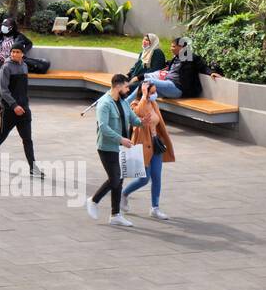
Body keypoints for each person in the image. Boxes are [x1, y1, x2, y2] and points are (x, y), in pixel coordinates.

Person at [0, 44, 44, 176]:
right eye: (13, 52)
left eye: (18, 52)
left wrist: (24, 104)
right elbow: (4, 91)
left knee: (27, 139)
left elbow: (22, 88)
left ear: (22, 54)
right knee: (2, 133)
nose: (14, 54)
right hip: (9, 109)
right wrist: (14, 105)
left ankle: (33, 167)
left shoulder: (24, 66)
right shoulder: (5, 67)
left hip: (24, 109)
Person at [86, 73, 138, 227]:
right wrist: (120, 139)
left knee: (119, 179)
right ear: (119, 85)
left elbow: (132, 118)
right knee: (115, 178)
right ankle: (93, 200)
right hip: (107, 147)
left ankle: (115, 215)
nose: (128, 89)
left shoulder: (123, 102)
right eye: (127, 86)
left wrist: (143, 122)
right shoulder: (105, 103)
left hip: (122, 147)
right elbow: (103, 127)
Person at [122, 79, 175, 221]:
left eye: (154, 92)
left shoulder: (154, 103)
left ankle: (155, 208)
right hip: (143, 145)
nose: (154, 94)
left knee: (157, 176)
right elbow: (139, 112)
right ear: (144, 92)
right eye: (151, 92)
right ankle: (124, 194)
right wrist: (144, 97)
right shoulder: (135, 104)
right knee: (144, 179)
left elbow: (158, 123)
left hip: (156, 144)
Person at [147, 36, 221, 99]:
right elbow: (170, 64)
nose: (170, 48)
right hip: (168, 85)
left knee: (148, 81)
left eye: (173, 46)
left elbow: (203, 67)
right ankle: (137, 110)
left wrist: (212, 72)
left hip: (178, 88)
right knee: (146, 93)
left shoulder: (190, 57)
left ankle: (135, 108)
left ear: (181, 47)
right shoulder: (176, 58)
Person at [0, 16, 32, 104]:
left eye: (6, 25)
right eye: (3, 25)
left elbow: (29, 43)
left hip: (13, 60)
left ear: (12, 28)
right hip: (1, 58)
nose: (3, 27)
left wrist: (23, 53)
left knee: (11, 72)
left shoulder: (18, 36)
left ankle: (14, 97)